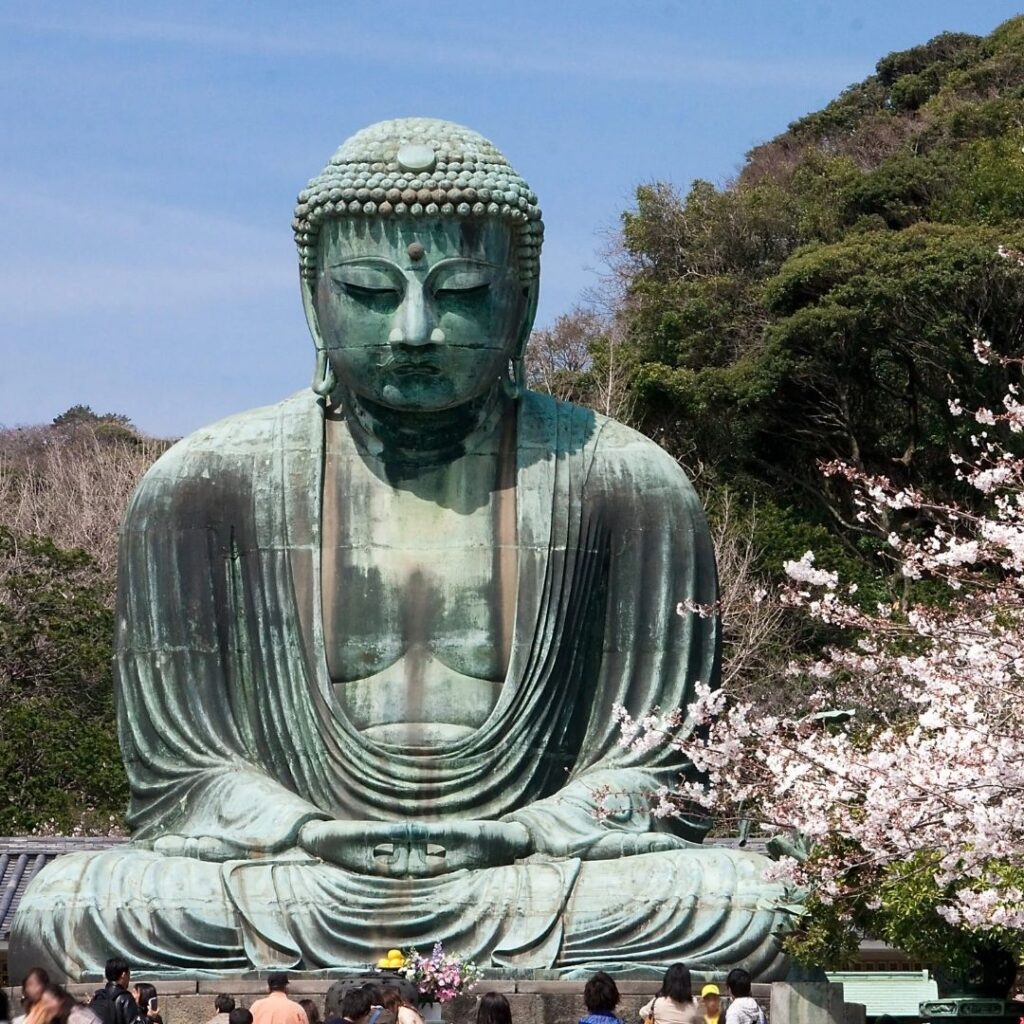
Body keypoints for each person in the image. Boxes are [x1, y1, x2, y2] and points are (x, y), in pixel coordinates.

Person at [10, 117, 793, 982]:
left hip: (529, 870)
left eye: (458, 292)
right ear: (313, 296)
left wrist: (531, 830)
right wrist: (304, 828)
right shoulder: (202, 485)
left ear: (521, 300)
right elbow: (181, 773)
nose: (415, 331)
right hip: (297, 870)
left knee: (752, 896)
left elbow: (662, 767)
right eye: (372, 293)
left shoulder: (626, 481)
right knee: (74, 904)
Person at [89, 959, 142, 1024]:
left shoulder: (98, 996)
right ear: (123, 975)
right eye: (129, 974)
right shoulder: (125, 998)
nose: (129, 978)